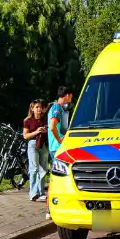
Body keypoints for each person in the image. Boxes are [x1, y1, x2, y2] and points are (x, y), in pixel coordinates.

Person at [46, 86, 74, 220]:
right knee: (58, 178)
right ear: (67, 95)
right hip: (57, 147)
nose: (71, 100)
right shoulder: (57, 108)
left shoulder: (55, 107)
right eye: (71, 97)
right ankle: (50, 209)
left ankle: (50, 210)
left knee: (55, 177)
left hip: (54, 147)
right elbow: (52, 126)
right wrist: (60, 139)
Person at [23, 99, 49, 202]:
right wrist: (36, 132)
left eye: (40, 107)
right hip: (33, 144)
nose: (39, 109)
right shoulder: (27, 120)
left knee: (43, 168)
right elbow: (25, 136)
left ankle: (41, 192)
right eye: (37, 107)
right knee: (34, 169)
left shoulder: (44, 119)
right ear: (32, 108)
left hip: (43, 144)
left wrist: (45, 130)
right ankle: (33, 193)